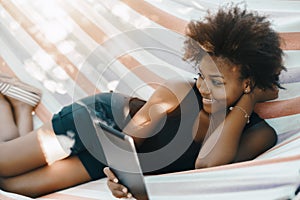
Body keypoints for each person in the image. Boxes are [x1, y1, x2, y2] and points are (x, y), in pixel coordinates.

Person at [0, 5, 284, 199]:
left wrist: (248, 101)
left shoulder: (260, 135)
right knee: (1, 165)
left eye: (218, 83)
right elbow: (126, 144)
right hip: (99, 122)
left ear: (248, 83)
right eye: (201, 75)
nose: (204, 88)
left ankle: (23, 106)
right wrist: (120, 175)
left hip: (106, 153)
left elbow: (209, 165)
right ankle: (7, 103)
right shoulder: (179, 93)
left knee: (13, 186)